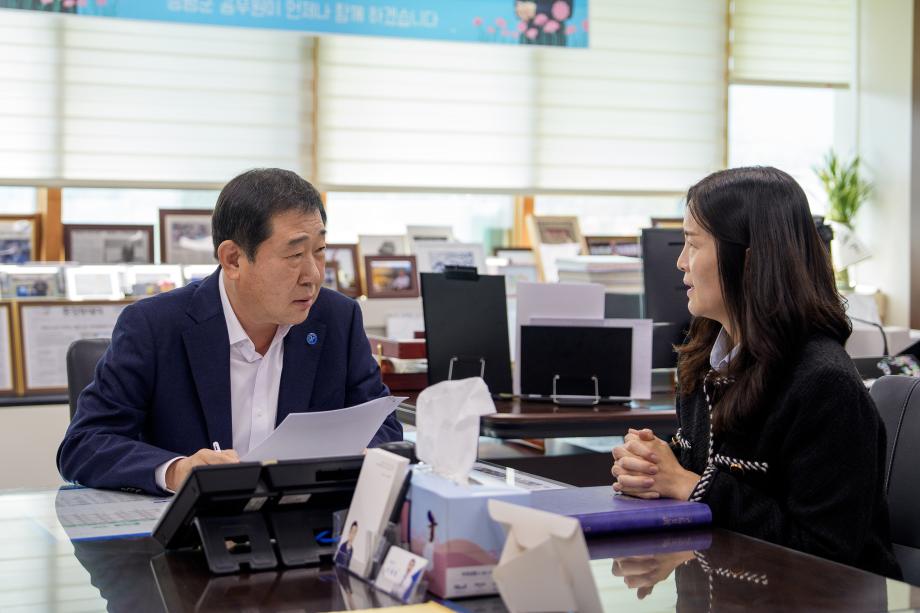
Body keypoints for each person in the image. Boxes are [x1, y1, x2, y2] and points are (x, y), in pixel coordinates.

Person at [611, 166, 901, 577]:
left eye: (693, 244)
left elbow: (828, 554)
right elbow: (710, 466)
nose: (680, 262)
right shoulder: (704, 362)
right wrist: (652, 468)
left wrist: (690, 486)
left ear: (748, 260)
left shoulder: (825, 384)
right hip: (728, 589)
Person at [58, 168, 402, 495]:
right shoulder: (154, 326)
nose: (313, 275)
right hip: (191, 528)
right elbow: (84, 444)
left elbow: (383, 426)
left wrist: (360, 457)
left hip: (301, 520)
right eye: (295, 254)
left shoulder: (338, 319)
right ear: (233, 259)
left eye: (320, 251)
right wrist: (177, 470)